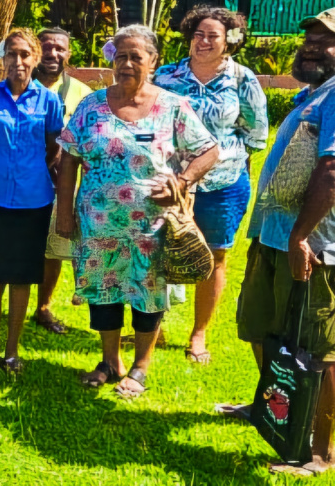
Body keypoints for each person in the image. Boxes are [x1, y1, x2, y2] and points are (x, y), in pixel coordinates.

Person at [56, 24, 218, 398]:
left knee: (148, 295)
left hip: (151, 227)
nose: (126, 63)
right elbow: (68, 160)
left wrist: (181, 181)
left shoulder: (172, 106)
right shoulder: (91, 105)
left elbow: (208, 150)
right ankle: (109, 361)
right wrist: (65, 213)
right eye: (120, 56)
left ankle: (140, 367)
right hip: (98, 224)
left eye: (136, 57)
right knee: (103, 293)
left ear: (154, 62)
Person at [235, 8, 335, 477]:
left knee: (317, 351)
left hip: (314, 247)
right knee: (264, 329)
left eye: (325, 40)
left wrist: (300, 236)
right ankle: (276, 412)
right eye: (309, 37)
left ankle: (319, 451)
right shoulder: (312, 94)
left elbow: (332, 169)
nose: (312, 45)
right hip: (273, 237)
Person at [153, 6, 268, 365]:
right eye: (198, 34)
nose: (203, 42)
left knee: (215, 255)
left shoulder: (243, 80)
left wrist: (223, 158)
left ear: (230, 41)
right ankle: (152, 328)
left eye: (212, 36)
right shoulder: (166, 76)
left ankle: (198, 334)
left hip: (223, 183)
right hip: (171, 182)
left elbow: (256, 133)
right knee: (158, 251)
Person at [0, 29, 63, 373]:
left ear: (35, 59)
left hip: (33, 199)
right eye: (12, 54)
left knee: (22, 276)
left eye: (25, 54)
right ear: (2, 58)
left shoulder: (49, 102)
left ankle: (11, 352)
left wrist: (28, 170)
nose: (18, 62)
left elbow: (53, 148)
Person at [32, 27, 93, 335]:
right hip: (20, 180)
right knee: (16, 244)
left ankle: (42, 306)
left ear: (69, 53)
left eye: (60, 48)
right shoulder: (17, 85)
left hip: (61, 183)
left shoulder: (82, 94)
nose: (53, 53)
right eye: (47, 46)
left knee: (53, 247)